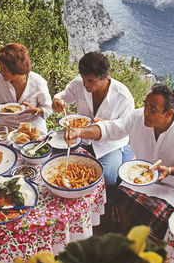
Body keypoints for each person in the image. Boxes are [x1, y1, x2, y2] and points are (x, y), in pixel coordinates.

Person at [65, 82, 174, 239]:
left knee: (160, 215)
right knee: (120, 196)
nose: (146, 112)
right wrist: (79, 132)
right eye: (146, 105)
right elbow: (110, 129)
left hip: (173, 187)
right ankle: (125, 237)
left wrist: (170, 170)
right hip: (138, 176)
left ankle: (155, 247)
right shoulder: (137, 117)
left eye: (153, 109)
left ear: (168, 113)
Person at [53, 52, 135, 195]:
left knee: (108, 178)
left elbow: (126, 127)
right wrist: (57, 102)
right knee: (59, 167)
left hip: (109, 146)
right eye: (83, 78)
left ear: (105, 77)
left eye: (90, 80)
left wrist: (106, 124)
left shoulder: (123, 96)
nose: (85, 84)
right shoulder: (79, 83)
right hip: (81, 140)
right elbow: (62, 96)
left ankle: (104, 212)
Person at [0, 43, 52, 136]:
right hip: (6, 127)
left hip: (31, 128)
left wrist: (33, 110)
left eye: (5, 68)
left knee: (27, 145)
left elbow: (48, 109)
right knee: (5, 146)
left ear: (17, 67)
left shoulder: (38, 82)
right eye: (0, 67)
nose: (1, 71)